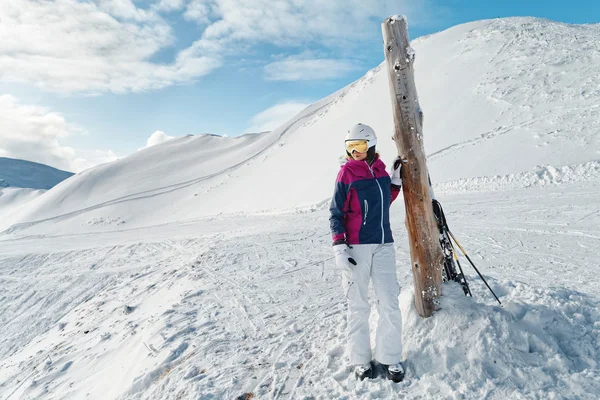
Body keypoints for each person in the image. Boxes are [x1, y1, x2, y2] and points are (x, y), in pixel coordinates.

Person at [329, 123, 405, 382]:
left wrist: (394, 183)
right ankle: (361, 361)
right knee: (358, 305)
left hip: (384, 243)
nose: (355, 152)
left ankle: (390, 358)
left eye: (359, 146)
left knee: (390, 303)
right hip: (356, 247)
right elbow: (336, 212)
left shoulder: (382, 171)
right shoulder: (346, 174)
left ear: (371, 145)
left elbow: (383, 201)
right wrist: (339, 245)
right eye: (350, 147)